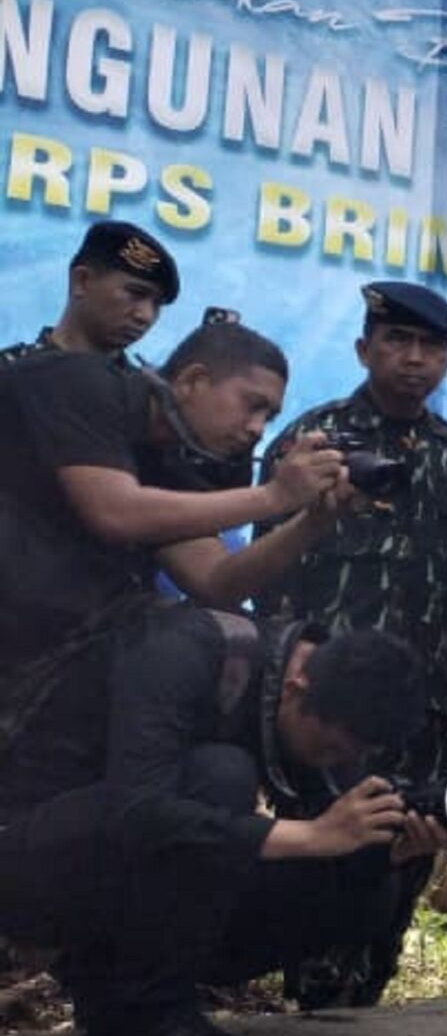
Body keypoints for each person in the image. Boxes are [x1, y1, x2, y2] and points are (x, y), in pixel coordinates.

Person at [0, 608, 430, 1036]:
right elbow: (138, 813)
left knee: (363, 886)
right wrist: (310, 834)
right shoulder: (182, 652)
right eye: (328, 750)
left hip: (119, 867)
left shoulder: (325, 702)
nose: (333, 763)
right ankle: (143, 1018)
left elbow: (303, 852)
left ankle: (119, 999)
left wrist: (382, 854)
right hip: (26, 857)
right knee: (221, 775)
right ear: (296, 688)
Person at [254, 282, 447, 1009]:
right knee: (327, 843)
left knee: (414, 840)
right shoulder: (314, 443)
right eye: (398, 342)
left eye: (431, 348)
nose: (414, 360)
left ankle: (369, 984)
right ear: (365, 349)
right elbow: (270, 573)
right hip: (330, 707)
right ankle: (316, 988)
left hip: (422, 702)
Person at [0, 314, 349, 797]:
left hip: (48, 676)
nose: (256, 429)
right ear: (193, 381)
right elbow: (114, 511)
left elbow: (217, 582)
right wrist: (274, 497)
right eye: (253, 406)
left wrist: (312, 522)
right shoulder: (75, 382)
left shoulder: (166, 457)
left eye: (268, 418)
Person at [0, 220, 180, 364]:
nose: (146, 316)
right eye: (136, 293)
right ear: (82, 281)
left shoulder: (150, 400)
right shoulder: (8, 375)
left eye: (157, 304)